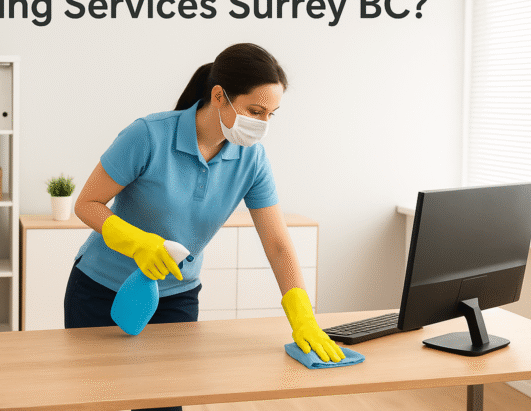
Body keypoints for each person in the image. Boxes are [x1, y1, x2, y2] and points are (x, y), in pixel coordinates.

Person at [65, 43, 344, 411]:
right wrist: (135, 243)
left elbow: (277, 243)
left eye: (271, 115)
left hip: (177, 297)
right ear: (219, 96)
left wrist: (302, 314)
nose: (262, 124)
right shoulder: (149, 135)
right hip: (100, 291)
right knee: (94, 400)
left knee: (164, 404)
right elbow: (86, 203)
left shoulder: (252, 158)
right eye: (255, 111)